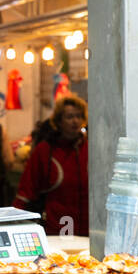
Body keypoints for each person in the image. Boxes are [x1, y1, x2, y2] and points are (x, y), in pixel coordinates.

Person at [13, 93, 88, 236]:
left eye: (79, 116)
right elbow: (27, 189)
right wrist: (15, 222)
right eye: (70, 116)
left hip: (88, 227)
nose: (75, 121)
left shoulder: (90, 149)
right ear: (59, 120)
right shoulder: (45, 151)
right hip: (56, 227)